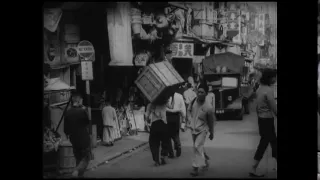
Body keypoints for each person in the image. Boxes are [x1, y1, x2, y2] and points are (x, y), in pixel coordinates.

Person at [249, 68, 277, 177]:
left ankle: (254, 167)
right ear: (270, 78)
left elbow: (256, 107)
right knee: (265, 144)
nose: (275, 79)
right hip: (267, 121)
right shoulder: (268, 90)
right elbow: (274, 108)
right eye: (274, 76)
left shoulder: (260, 89)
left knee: (273, 143)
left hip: (261, 120)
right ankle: (253, 168)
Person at [187, 83, 216, 177]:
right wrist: (188, 119)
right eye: (198, 92)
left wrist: (212, 133)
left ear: (206, 94)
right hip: (193, 129)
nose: (199, 94)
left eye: (202, 92)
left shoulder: (209, 107)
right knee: (199, 147)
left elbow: (211, 122)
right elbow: (188, 110)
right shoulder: (193, 101)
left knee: (196, 146)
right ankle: (205, 161)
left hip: (203, 130)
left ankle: (195, 168)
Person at [64, 92, 91, 178]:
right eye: (82, 100)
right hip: (83, 139)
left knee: (78, 159)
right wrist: (85, 111)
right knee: (87, 158)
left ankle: (80, 175)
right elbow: (87, 122)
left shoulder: (67, 112)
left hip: (74, 139)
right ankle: (76, 170)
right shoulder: (82, 111)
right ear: (79, 101)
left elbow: (66, 130)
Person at [145, 97, 170, 166]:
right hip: (163, 124)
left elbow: (146, 115)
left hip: (155, 124)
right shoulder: (164, 102)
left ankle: (156, 160)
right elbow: (171, 106)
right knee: (165, 141)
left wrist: (147, 120)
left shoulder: (150, 104)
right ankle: (163, 155)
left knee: (153, 142)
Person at [166, 88, 186, 158]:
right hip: (174, 117)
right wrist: (183, 121)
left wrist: (183, 122)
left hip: (170, 116)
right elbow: (183, 109)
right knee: (175, 134)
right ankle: (177, 147)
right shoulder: (179, 96)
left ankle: (171, 152)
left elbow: (183, 109)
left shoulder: (166, 96)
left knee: (169, 135)